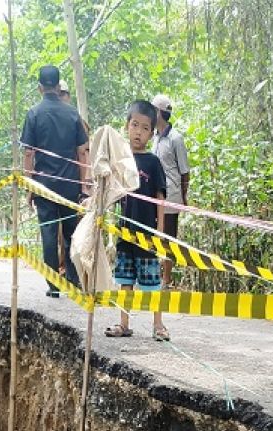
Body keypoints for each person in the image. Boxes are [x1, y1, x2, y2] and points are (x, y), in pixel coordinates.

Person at [21, 65, 90, 297]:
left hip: (44, 186)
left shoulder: (33, 114)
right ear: (59, 86)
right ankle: (72, 279)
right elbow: (83, 152)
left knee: (49, 234)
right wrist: (84, 188)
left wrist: (29, 187)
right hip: (70, 185)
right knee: (71, 233)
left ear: (40, 87)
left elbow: (29, 153)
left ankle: (53, 284)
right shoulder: (73, 114)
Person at [105, 100, 168, 341]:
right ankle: (123, 324)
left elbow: (160, 198)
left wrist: (159, 232)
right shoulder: (121, 161)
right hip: (124, 232)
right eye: (134, 125)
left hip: (147, 234)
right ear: (126, 126)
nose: (138, 132)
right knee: (125, 281)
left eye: (144, 128)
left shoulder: (152, 162)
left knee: (152, 283)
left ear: (152, 133)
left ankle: (159, 325)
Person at [150, 94, 190, 289]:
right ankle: (155, 275)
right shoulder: (155, 137)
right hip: (154, 196)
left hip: (171, 196)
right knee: (154, 234)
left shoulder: (176, 139)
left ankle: (166, 279)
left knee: (168, 237)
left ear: (159, 112)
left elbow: (185, 171)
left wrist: (183, 197)